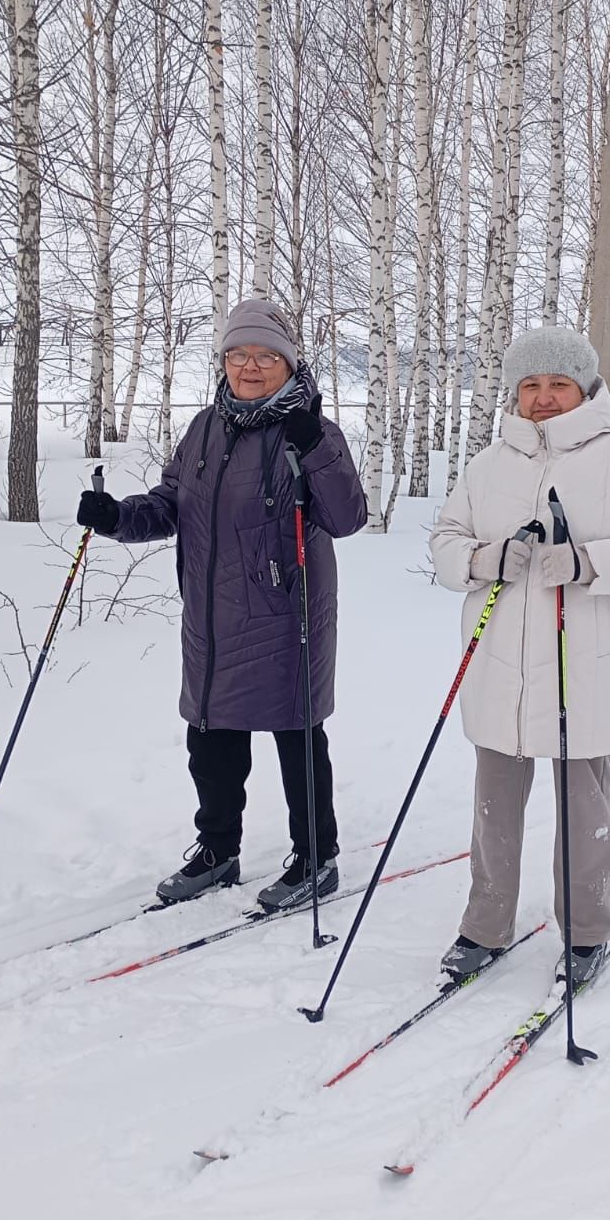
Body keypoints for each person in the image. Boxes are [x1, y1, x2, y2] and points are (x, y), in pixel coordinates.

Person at [76, 298, 367, 909]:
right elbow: (171, 504)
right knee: (210, 740)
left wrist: (315, 445)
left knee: (298, 737)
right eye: (238, 355)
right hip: (209, 617)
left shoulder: (309, 430)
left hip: (288, 620)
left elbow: (346, 518)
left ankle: (318, 858)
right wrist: (117, 517)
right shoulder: (206, 428)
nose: (250, 367)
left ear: (289, 363)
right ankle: (218, 851)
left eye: (264, 356)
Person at [430, 326, 610, 984]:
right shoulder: (488, 465)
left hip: (584, 664)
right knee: (494, 809)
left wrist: (589, 561)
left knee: (583, 808)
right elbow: (447, 542)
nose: (544, 398)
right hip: (500, 668)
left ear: (584, 388)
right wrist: (488, 559)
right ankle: (485, 924)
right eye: (531, 386)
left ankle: (588, 931)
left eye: (558, 384)